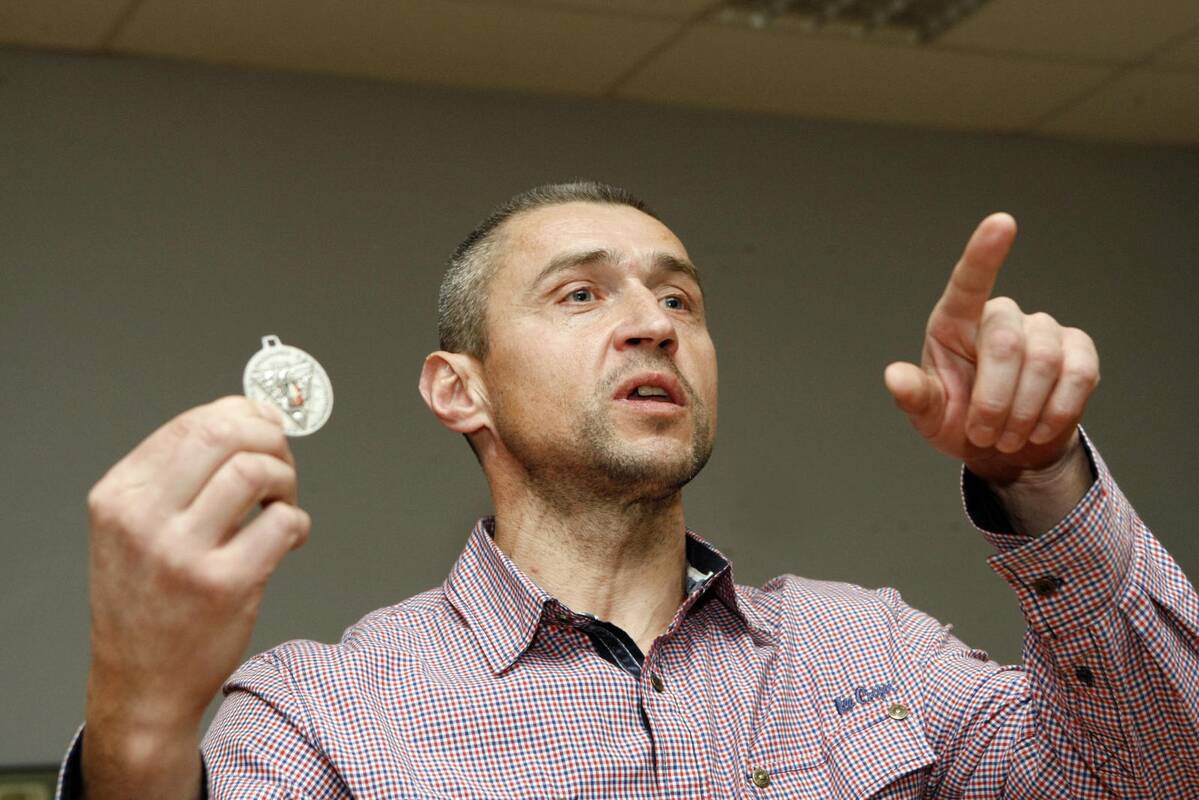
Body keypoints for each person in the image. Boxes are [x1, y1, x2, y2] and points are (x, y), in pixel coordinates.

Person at [62, 182, 1197, 798]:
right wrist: (140, 718)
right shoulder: (321, 716)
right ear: (459, 388)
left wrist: (1039, 478)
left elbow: (1154, 776)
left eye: (679, 299)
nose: (652, 321)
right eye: (579, 295)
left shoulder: (876, 655)